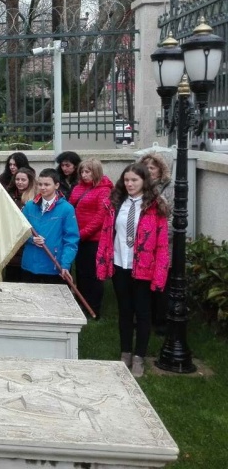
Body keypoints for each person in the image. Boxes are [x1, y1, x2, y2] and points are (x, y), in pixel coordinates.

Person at [96, 163, 170, 378]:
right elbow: (107, 234)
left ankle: (139, 356)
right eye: (126, 180)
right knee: (125, 311)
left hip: (143, 268)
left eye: (134, 180)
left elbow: (162, 245)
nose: (129, 184)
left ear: (144, 181)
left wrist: (159, 274)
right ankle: (126, 352)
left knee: (143, 312)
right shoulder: (116, 203)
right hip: (121, 265)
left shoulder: (155, 207)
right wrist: (103, 262)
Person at [67, 159, 113, 318]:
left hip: (93, 239)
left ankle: (94, 307)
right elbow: (70, 207)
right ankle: (82, 303)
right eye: (82, 171)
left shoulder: (104, 190)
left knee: (93, 274)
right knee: (80, 272)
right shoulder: (77, 188)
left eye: (88, 172)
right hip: (78, 237)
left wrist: (82, 234)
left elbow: (100, 217)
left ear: (96, 172)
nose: (84, 175)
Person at [20, 168, 79, 284]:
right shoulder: (29, 206)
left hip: (53, 266)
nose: (42, 188)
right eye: (40, 184)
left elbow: (71, 240)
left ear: (56, 185)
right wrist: (31, 239)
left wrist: (65, 264)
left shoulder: (66, 209)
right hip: (30, 265)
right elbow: (20, 231)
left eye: (47, 184)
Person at [139, 151, 173, 334]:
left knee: (161, 282)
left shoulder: (169, 187)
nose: (148, 170)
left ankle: (160, 321)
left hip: (162, 243)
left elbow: (173, 217)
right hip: (142, 245)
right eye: (145, 167)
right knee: (142, 283)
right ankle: (144, 317)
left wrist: (158, 236)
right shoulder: (140, 187)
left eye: (152, 167)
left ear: (160, 170)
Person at [3, 167, 37, 282]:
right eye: (17, 179)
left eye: (23, 180)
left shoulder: (35, 199)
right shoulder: (8, 195)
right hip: (11, 241)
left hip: (27, 241)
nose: (20, 182)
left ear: (30, 181)